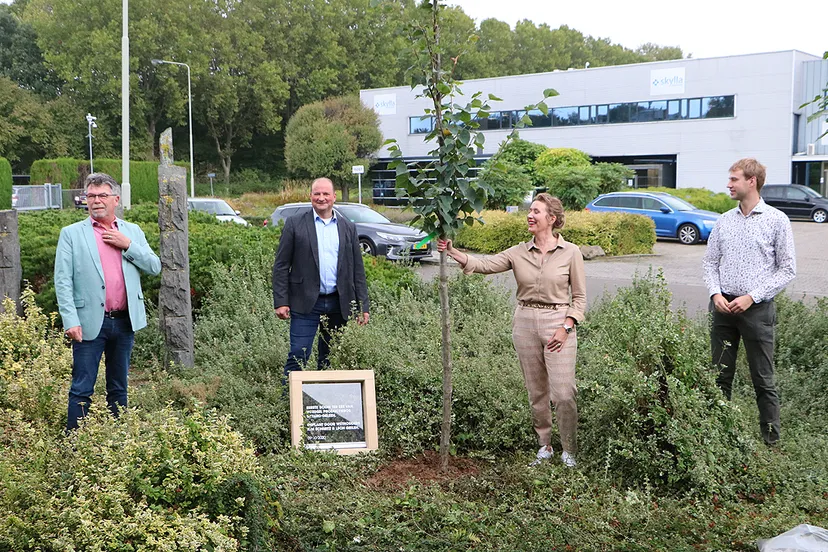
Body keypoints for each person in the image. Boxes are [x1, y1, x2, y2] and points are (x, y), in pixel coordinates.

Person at [437, 193, 586, 467]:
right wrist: (453, 252)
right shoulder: (518, 251)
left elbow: (579, 298)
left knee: (564, 392)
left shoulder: (571, 253)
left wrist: (567, 326)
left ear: (552, 219)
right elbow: (485, 264)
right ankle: (545, 447)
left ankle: (569, 450)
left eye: (537, 212)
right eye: (530, 211)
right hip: (525, 322)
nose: (530, 215)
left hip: (558, 323)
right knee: (536, 392)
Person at [54, 173, 161, 431]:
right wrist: (70, 320)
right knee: (81, 388)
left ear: (116, 199)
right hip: (89, 323)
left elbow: (155, 266)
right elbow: (63, 281)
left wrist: (128, 246)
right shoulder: (71, 234)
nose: (96, 201)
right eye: (91, 196)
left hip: (124, 322)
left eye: (102, 195)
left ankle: (118, 443)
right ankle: (74, 446)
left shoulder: (131, 232)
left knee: (119, 387)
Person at [703, 158, 796, 446]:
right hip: (722, 309)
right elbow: (709, 263)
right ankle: (717, 439)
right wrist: (715, 293)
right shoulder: (724, 220)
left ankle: (771, 445)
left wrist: (751, 297)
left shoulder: (776, 220)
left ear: (751, 181)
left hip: (756, 310)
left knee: (763, 380)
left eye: (734, 179)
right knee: (719, 377)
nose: (728, 185)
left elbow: (787, 269)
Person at [272, 177, 369, 378]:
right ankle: (287, 404)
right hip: (305, 302)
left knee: (330, 357)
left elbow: (357, 270)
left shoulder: (347, 227)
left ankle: (323, 405)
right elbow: (281, 266)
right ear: (310, 197)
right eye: (317, 193)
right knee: (299, 354)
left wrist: (362, 306)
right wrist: (281, 301)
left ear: (334, 197)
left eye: (326, 194)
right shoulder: (295, 224)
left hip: (338, 303)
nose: (321, 198)